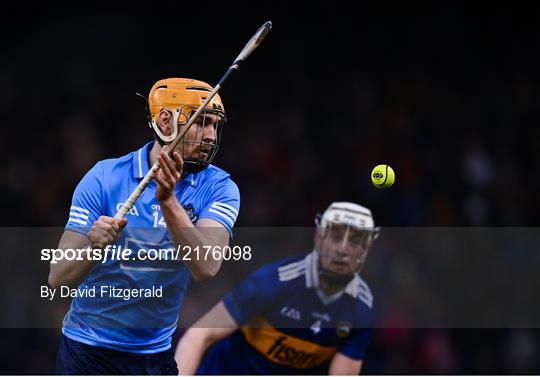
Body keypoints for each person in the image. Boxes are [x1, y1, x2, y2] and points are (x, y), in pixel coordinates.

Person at [50, 78, 240, 375]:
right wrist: (91, 246)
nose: (210, 136)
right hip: (86, 352)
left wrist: (168, 202)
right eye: (202, 122)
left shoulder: (219, 187)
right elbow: (58, 277)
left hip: (154, 356)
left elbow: (206, 266)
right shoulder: (104, 177)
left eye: (216, 125)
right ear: (165, 121)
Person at [177, 202, 379, 375]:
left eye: (355, 241)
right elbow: (197, 336)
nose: (343, 250)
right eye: (335, 237)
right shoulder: (272, 282)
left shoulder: (362, 309)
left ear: (366, 249)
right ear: (319, 238)